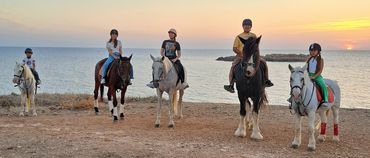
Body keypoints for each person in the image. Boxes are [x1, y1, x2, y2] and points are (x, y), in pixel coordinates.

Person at [224, 19, 273, 93]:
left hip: (253, 56)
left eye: (249, 26)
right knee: (233, 66)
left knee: (264, 63)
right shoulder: (238, 37)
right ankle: (231, 85)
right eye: (245, 25)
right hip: (241, 56)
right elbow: (234, 48)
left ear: (251, 27)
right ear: (242, 26)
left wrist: (256, 55)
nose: (247, 27)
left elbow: (256, 47)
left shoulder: (253, 36)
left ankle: (266, 80)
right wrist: (242, 55)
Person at [307, 43, 328, 108]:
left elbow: (320, 71)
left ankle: (325, 100)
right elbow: (306, 68)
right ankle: (293, 98)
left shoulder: (321, 60)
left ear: (318, 51)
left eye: (314, 51)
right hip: (308, 75)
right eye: (311, 50)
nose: (312, 52)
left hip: (317, 76)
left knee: (323, 85)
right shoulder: (309, 59)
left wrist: (314, 77)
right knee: (297, 83)